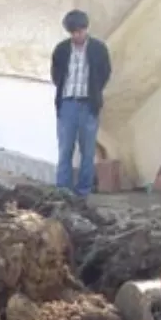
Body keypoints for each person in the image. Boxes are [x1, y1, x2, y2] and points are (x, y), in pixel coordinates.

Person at [50, 10, 112, 197]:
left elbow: (105, 73)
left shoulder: (98, 49)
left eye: (81, 31)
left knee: (87, 151)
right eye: (74, 32)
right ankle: (63, 191)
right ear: (69, 32)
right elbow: (56, 75)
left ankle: (84, 191)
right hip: (67, 103)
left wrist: (94, 92)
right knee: (65, 148)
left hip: (88, 105)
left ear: (86, 29)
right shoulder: (61, 50)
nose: (78, 35)